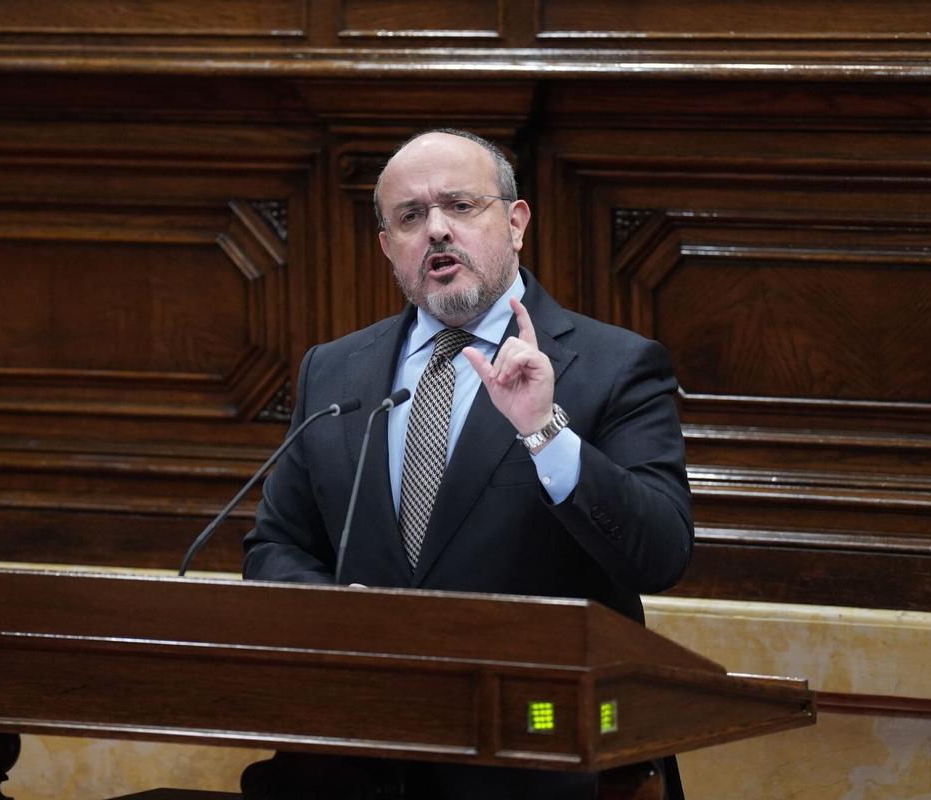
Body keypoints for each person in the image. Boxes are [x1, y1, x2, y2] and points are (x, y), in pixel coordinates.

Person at [242, 129, 693, 799]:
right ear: (388, 248)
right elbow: (274, 545)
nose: (437, 231)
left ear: (515, 224)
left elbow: (660, 553)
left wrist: (545, 432)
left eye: (460, 205)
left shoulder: (613, 366)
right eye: (411, 216)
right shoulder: (335, 371)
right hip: (356, 763)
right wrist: (340, 613)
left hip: (538, 766)